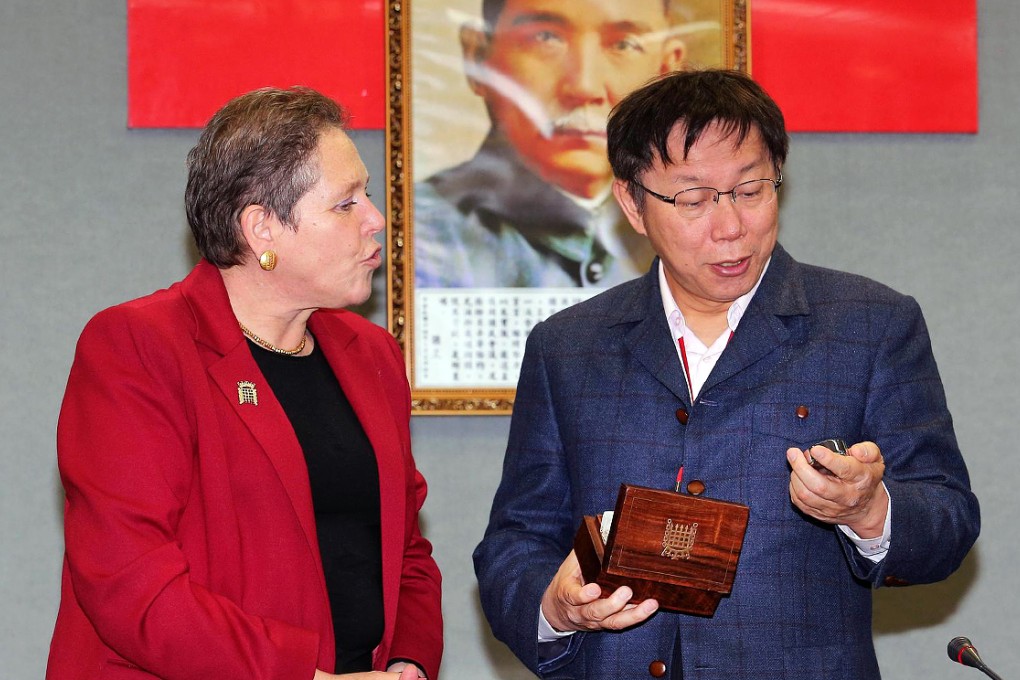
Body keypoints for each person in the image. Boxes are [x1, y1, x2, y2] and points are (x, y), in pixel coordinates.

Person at [473, 69, 980, 679]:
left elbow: (949, 519)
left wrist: (870, 510)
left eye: (750, 189)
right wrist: (554, 606)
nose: (731, 226)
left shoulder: (870, 325)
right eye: (692, 200)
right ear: (633, 204)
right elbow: (514, 541)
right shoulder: (569, 347)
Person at [46, 87, 442, 680]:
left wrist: (410, 660)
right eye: (345, 204)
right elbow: (130, 583)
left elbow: (405, 547)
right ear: (261, 229)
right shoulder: (138, 347)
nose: (375, 218)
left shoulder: (372, 356)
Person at [413, 0, 685, 288]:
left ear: (667, 70)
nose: (584, 86)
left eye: (623, 45)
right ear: (479, 57)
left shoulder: (699, 230)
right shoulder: (421, 231)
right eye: (546, 37)